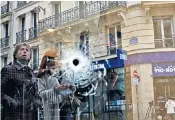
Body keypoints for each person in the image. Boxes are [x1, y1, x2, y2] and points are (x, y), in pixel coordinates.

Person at [1, 43, 41, 120]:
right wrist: (13, 102)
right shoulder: (8, 69)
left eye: (27, 50)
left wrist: (38, 101)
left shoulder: (31, 72)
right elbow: (1, 92)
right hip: (13, 115)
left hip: (30, 114)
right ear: (15, 55)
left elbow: (35, 92)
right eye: (22, 49)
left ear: (30, 56)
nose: (25, 52)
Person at [37, 49, 70, 120]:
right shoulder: (42, 77)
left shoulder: (55, 76)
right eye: (49, 62)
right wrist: (55, 90)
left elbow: (60, 96)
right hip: (46, 109)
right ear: (45, 64)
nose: (52, 65)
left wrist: (65, 89)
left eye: (53, 63)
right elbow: (41, 93)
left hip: (58, 108)